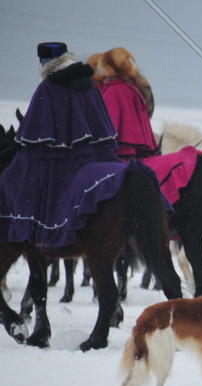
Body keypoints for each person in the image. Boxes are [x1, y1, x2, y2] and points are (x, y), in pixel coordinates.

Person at [0, 43, 145, 250]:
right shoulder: (91, 85)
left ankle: (32, 230)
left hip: (59, 160)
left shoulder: (48, 87)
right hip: (95, 155)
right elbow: (102, 125)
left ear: (45, 62)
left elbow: (33, 135)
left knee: (15, 179)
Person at [88, 47, 158, 159]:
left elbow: (107, 127)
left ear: (108, 67)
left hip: (120, 153)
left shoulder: (114, 91)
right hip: (138, 151)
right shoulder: (132, 88)